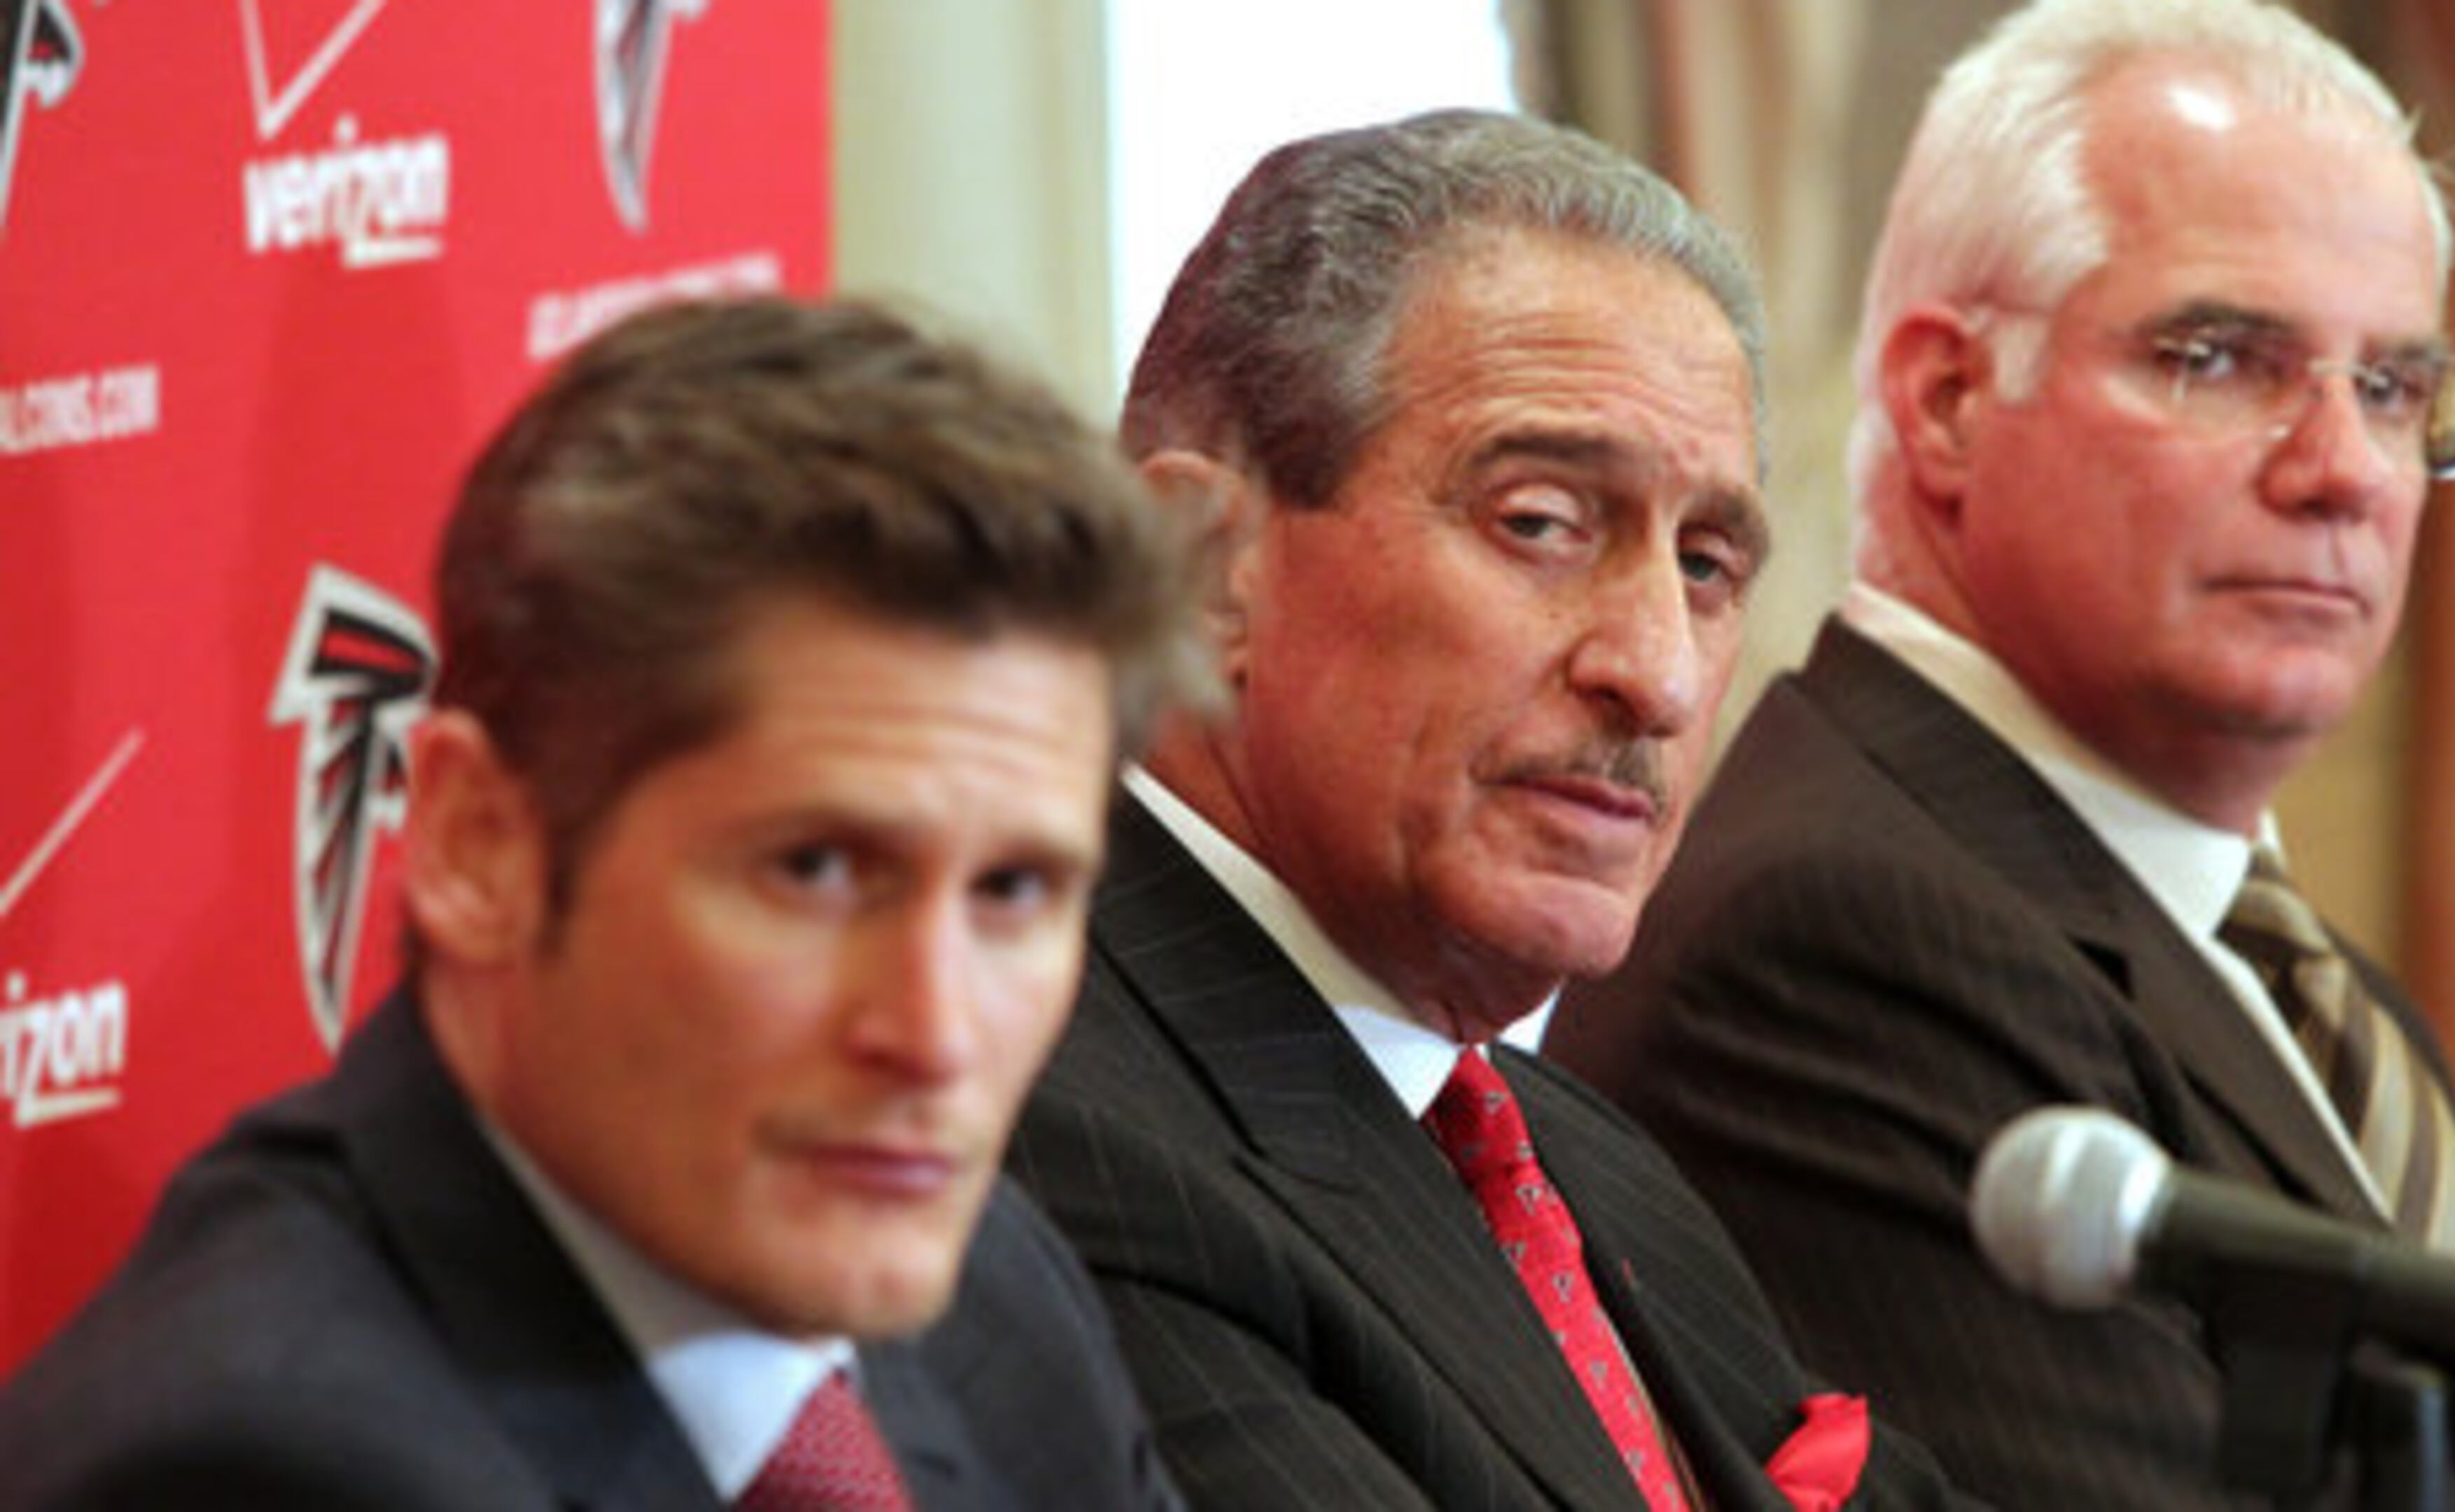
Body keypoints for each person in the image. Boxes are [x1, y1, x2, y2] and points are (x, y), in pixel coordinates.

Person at [1552, 1, 2455, 1508]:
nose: (2341, 472)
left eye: (2393, 389)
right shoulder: (1848, 941)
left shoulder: (2266, 964)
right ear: (1945, 401)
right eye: (2220, 358)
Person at [0, 297, 1204, 1511]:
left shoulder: (987, 1283)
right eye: (816, 871)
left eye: (1014, 890)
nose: (937, 1033)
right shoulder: (255, 1467)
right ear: (481, 845)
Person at [1003, 109, 1969, 1512]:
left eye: (1706, 565)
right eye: (1541, 524)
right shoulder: (1039, 1135)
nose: (1653, 672)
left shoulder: (1580, 1162)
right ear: (1204, 569)